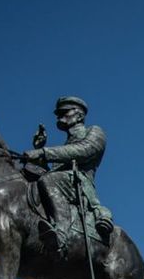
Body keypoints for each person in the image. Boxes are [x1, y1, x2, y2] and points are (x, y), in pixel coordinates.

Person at [23, 96, 113, 239]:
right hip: (63, 182)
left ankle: (61, 233)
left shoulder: (95, 131)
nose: (60, 116)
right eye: (59, 113)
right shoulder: (66, 145)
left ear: (79, 116)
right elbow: (51, 171)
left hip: (80, 185)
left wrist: (43, 152)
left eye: (65, 112)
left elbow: (85, 150)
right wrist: (39, 148)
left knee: (50, 180)